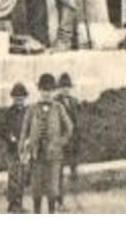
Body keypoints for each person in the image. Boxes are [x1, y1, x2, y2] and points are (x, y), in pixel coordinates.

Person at [19, 73, 74, 214]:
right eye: (44, 90)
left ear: (53, 91)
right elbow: (24, 129)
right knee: (36, 188)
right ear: (39, 91)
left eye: (49, 90)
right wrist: (23, 148)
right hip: (36, 155)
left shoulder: (58, 108)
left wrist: (61, 142)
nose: (46, 94)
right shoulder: (32, 109)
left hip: (54, 155)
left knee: (52, 189)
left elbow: (69, 127)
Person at [55, 72, 82, 208]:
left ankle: (74, 200)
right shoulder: (55, 102)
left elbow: (77, 122)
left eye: (68, 87)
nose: (66, 89)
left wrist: (77, 139)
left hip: (72, 143)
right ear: (59, 88)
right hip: (60, 143)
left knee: (73, 171)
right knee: (58, 173)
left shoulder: (74, 101)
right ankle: (59, 202)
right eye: (63, 86)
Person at [2, 83, 30, 213]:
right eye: (17, 98)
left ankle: (19, 202)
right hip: (12, 149)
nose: (19, 101)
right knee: (13, 176)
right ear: (12, 98)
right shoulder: (9, 113)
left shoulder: (28, 112)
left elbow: (32, 128)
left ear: (25, 98)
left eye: (22, 98)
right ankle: (12, 204)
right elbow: (1, 129)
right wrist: (10, 137)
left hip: (24, 149)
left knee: (22, 176)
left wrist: (29, 139)